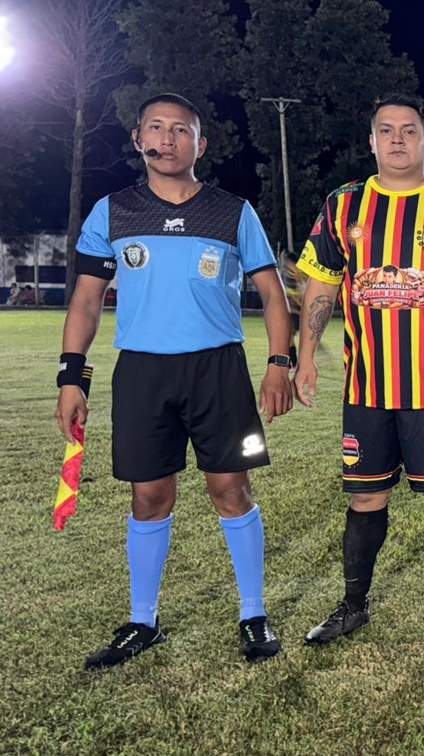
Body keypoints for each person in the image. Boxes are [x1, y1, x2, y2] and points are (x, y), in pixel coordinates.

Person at [58, 92, 293, 670]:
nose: (167, 138)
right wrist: (72, 377)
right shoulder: (112, 212)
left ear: (200, 144)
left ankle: (253, 612)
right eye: (156, 128)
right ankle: (143, 621)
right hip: (142, 371)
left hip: (219, 371)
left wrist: (278, 362)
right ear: (138, 140)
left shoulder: (233, 212)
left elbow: (272, 294)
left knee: (231, 489)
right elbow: (86, 302)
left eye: (181, 130)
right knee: (149, 495)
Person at [295, 93, 424, 649]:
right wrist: (305, 355)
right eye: (387, 130)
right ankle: (353, 605)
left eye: (409, 130)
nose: (397, 139)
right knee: (365, 498)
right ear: (371, 142)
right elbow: (321, 286)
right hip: (367, 387)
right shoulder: (343, 205)